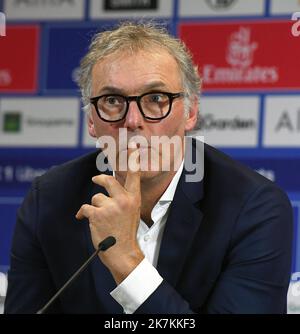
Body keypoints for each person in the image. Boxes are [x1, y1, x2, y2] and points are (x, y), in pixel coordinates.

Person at [4, 22, 293, 314]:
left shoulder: (254, 207)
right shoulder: (50, 199)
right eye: (113, 101)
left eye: (156, 99)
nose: (132, 121)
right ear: (91, 120)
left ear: (191, 112)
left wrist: (128, 262)